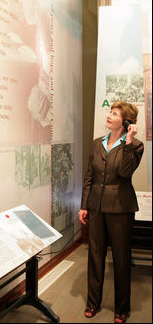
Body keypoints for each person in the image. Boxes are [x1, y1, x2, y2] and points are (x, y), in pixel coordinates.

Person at [78, 101, 144, 324]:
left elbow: (125, 172)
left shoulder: (135, 146)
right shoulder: (97, 144)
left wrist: (128, 141)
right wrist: (84, 205)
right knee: (95, 256)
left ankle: (121, 308)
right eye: (110, 112)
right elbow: (90, 176)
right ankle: (92, 302)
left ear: (125, 122)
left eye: (114, 114)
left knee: (121, 258)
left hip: (120, 208)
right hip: (96, 206)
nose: (109, 115)